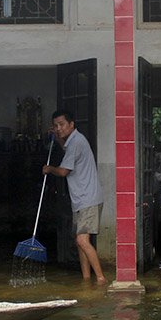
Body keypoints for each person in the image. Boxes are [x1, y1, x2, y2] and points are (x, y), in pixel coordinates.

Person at [42, 110, 107, 284]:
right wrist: (57, 139)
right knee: (80, 242)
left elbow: (63, 171)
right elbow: (66, 150)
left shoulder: (76, 142)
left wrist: (49, 169)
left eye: (62, 125)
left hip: (88, 199)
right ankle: (86, 279)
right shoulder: (73, 142)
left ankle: (101, 279)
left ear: (72, 124)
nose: (58, 128)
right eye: (56, 126)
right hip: (81, 200)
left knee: (82, 240)